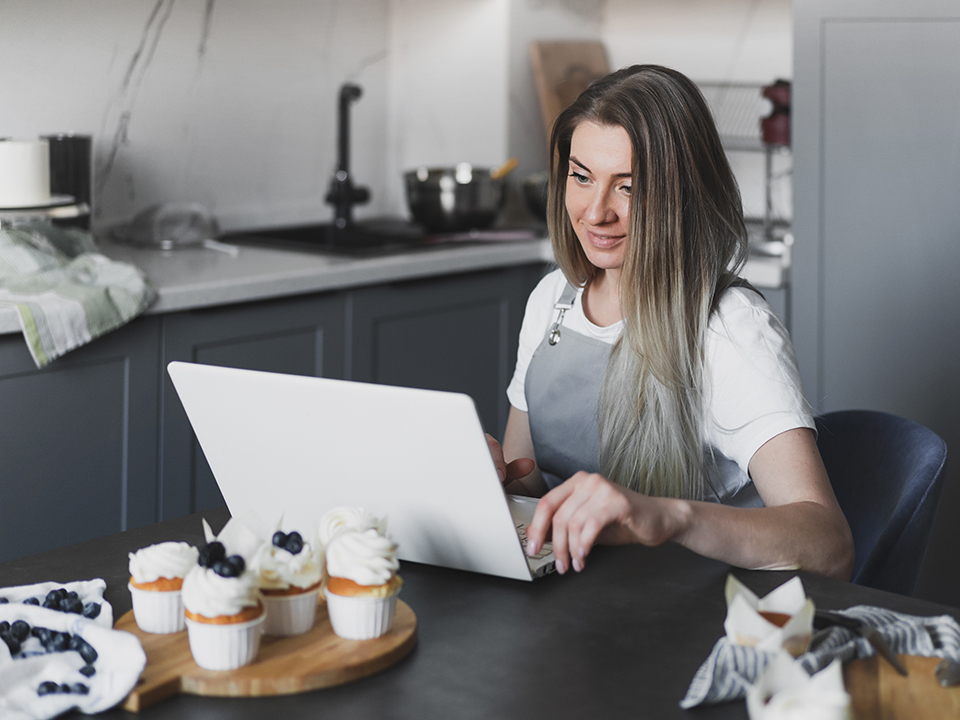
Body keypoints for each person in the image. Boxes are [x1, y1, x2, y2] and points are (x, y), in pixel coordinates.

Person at [487, 65, 854, 580]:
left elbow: (829, 544)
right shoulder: (552, 298)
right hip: (577, 603)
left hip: (691, 616)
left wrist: (669, 518)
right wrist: (486, 481)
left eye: (629, 187)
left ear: (682, 193)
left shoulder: (728, 326)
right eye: (581, 176)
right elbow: (529, 485)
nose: (596, 212)